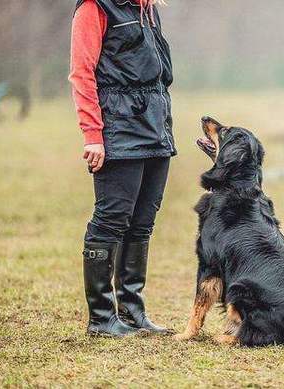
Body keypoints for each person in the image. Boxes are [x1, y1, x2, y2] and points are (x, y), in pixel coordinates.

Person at [69, 0, 176, 337]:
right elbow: (81, 72)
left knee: (142, 223)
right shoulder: (93, 8)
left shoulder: (148, 8)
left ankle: (132, 312)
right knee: (111, 220)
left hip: (156, 128)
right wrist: (92, 135)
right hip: (118, 131)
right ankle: (102, 318)